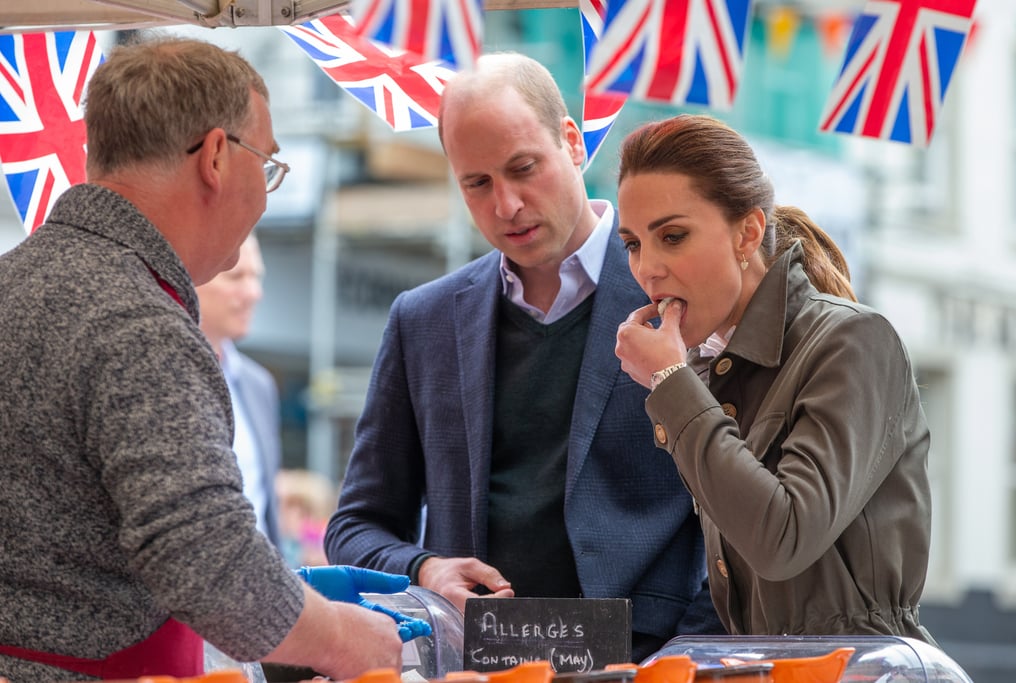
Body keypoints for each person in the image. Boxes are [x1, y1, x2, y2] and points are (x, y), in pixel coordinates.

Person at [0, 35, 421, 682]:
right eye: (269, 164)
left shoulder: (15, 279)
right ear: (218, 157)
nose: (266, 192)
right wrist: (347, 638)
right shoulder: (138, 321)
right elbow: (207, 560)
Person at [325, 52, 723, 663]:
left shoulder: (679, 301)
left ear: (572, 141)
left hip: (653, 663)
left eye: (522, 168)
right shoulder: (423, 321)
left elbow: (742, 520)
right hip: (476, 667)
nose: (505, 204)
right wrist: (427, 568)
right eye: (477, 183)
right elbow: (355, 529)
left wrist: (678, 656)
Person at [613, 113, 935, 643]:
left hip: (863, 670)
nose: (647, 268)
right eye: (633, 244)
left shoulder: (854, 340)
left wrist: (671, 381)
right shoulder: (706, 365)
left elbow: (782, 539)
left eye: (672, 236)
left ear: (748, 233)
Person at [196, 233, 283, 550]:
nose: (254, 293)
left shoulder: (258, 384)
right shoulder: (156, 374)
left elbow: (266, 510)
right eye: (236, 276)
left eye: (256, 276)